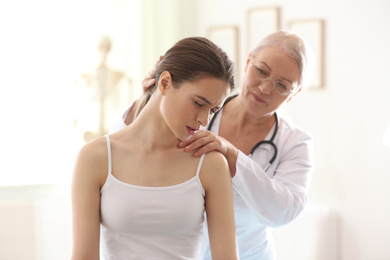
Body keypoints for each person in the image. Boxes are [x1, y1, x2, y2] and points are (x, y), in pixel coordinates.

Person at [110, 30, 315, 260]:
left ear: (293, 94)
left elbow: (282, 212)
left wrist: (232, 155)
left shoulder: (295, 143)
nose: (265, 88)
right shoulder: (192, 108)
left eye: (282, 85)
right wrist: (151, 98)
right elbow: (118, 154)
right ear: (248, 62)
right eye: (261, 71)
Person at [71, 37, 239, 260]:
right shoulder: (95, 158)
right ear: (165, 83)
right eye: (199, 103)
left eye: (213, 110)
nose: (204, 120)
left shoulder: (210, 163)